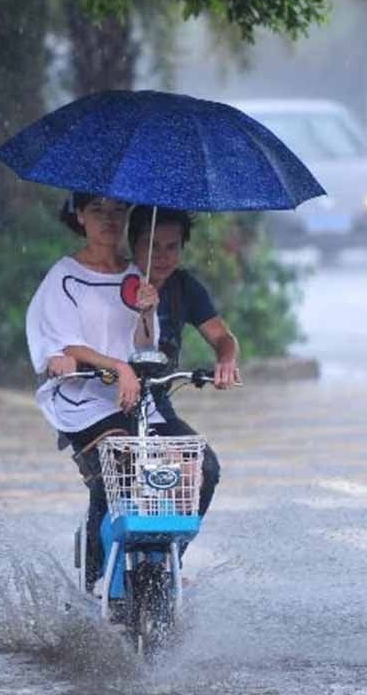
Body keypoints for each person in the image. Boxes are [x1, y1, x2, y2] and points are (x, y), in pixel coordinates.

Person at [25, 192, 162, 593]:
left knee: (171, 474)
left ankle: (155, 571)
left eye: (118, 210)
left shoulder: (137, 275)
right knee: (115, 472)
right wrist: (117, 366)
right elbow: (66, 345)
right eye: (98, 211)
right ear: (80, 216)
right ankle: (96, 578)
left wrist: (148, 312)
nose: (109, 220)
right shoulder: (64, 276)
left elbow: (145, 347)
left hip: (132, 400)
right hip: (80, 400)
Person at [129, 207, 239, 520]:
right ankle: (97, 564)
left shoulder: (185, 287)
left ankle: (171, 560)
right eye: (151, 246)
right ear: (133, 244)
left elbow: (222, 337)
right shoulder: (114, 283)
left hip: (156, 402)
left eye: (172, 247)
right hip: (108, 399)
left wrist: (226, 361)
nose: (162, 256)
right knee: (112, 479)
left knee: (205, 469)